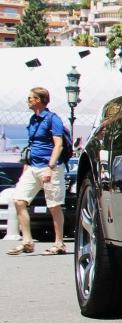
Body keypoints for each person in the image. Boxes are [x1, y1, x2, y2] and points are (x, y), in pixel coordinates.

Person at [7, 87, 67, 256]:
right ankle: (27, 241)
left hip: (50, 167)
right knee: (19, 200)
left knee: (54, 206)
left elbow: (59, 144)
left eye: (30, 98)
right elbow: (32, 144)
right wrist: (27, 165)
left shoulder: (52, 119)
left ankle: (59, 243)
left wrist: (50, 166)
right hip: (33, 167)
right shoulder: (33, 119)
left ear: (38, 100)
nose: (28, 100)